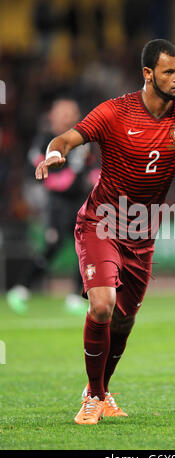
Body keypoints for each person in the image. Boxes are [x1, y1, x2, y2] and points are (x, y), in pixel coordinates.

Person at [35, 39, 175, 425]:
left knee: (124, 322)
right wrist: (55, 152)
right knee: (102, 305)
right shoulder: (114, 112)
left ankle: (100, 392)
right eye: (169, 72)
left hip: (142, 232)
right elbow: (68, 138)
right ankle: (92, 398)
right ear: (147, 74)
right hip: (101, 221)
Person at [7, 99, 92, 315]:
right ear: (52, 115)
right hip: (55, 201)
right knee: (52, 245)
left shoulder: (81, 141)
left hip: (79, 201)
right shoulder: (44, 140)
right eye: (63, 112)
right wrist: (59, 180)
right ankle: (21, 287)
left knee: (85, 247)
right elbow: (35, 167)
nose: (68, 116)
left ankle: (76, 295)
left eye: (72, 112)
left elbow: (88, 169)